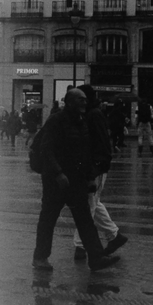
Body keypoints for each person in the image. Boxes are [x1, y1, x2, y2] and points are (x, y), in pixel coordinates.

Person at [32, 88, 120, 272]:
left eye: (85, 100)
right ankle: (40, 257)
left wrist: (89, 178)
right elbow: (46, 149)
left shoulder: (81, 122)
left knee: (85, 220)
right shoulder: (56, 120)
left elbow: (84, 153)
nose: (84, 103)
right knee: (48, 219)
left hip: (76, 179)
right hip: (55, 181)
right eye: (80, 100)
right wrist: (58, 173)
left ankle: (96, 258)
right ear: (69, 102)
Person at [72, 86, 128, 262]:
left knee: (87, 205)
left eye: (81, 98)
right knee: (94, 203)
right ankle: (114, 235)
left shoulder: (93, 115)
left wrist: (98, 165)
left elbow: (101, 143)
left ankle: (81, 246)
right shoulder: (91, 113)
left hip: (94, 168)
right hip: (92, 167)